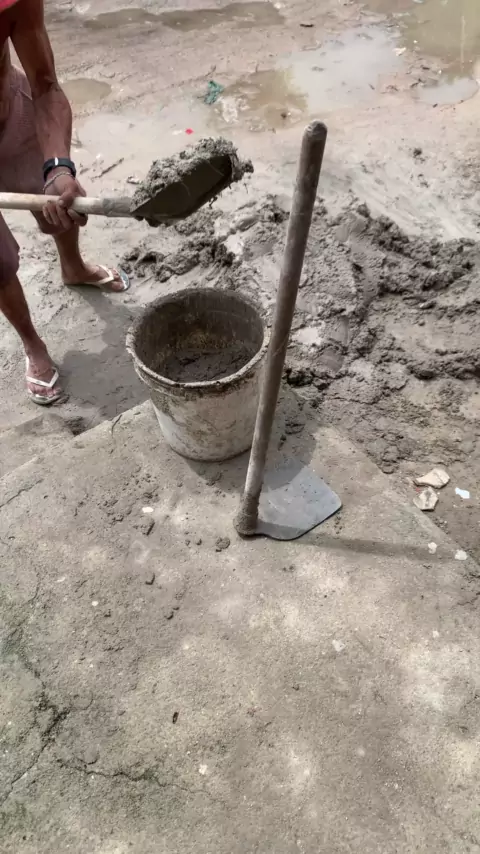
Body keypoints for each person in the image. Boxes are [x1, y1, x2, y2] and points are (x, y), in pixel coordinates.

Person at [0, 0, 129, 405]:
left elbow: (44, 84)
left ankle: (74, 267)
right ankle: (32, 342)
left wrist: (58, 167)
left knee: (59, 204)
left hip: (8, 112)